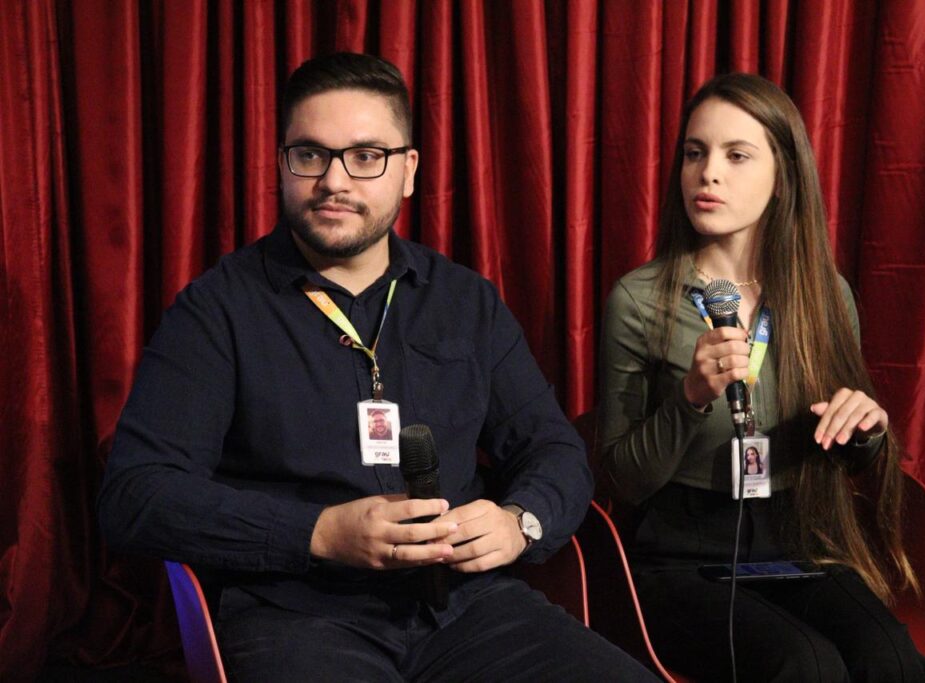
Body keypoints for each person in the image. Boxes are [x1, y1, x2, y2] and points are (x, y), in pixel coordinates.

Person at [99, 52, 655, 682]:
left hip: (471, 609)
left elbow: (553, 449)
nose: (335, 181)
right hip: (296, 616)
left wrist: (519, 522)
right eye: (310, 154)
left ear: (409, 170)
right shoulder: (216, 310)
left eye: (366, 156)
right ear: (281, 163)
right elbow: (136, 495)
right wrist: (317, 533)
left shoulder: (466, 301)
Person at [599, 73, 925, 682]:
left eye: (736, 156)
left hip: (797, 541)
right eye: (695, 153)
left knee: (890, 658)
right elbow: (623, 478)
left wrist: (865, 429)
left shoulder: (825, 295)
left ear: (783, 176)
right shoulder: (639, 297)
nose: (709, 174)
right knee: (805, 665)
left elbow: (851, 456)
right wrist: (690, 398)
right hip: (680, 555)